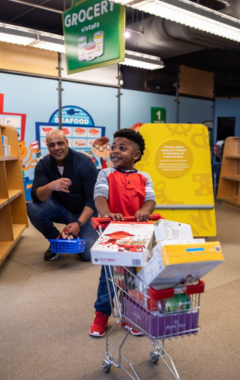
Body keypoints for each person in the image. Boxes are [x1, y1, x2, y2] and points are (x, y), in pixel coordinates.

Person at [89, 128, 156, 337]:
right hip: (112, 235)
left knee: (133, 279)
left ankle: (129, 315)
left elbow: (150, 200)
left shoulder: (144, 177)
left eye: (122, 148)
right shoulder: (105, 174)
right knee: (109, 277)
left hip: (138, 236)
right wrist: (107, 213)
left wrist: (145, 210)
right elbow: (99, 196)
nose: (115, 151)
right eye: (114, 147)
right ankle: (101, 314)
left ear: (136, 155)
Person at [27, 129, 99, 262]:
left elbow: (93, 200)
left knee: (89, 255)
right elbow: (36, 196)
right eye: (52, 145)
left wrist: (78, 223)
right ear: (47, 146)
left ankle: (81, 233)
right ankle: (57, 242)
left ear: (66, 142)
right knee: (33, 208)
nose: (56, 148)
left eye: (60, 143)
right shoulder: (43, 164)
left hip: (84, 212)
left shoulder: (84, 163)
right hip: (61, 209)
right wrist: (51, 186)